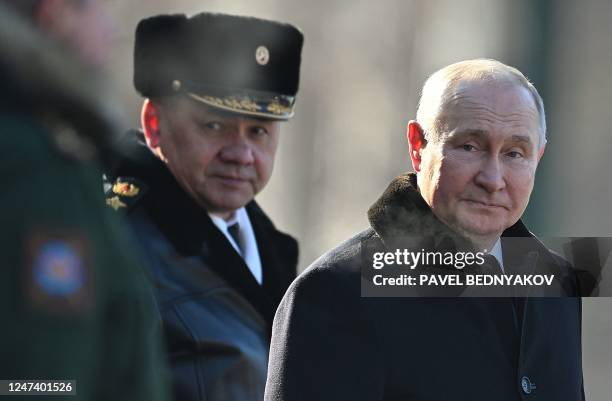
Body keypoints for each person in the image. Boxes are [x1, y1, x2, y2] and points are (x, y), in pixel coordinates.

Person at [265, 59, 584, 401]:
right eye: (469, 147)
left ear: (539, 157)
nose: (492, 180)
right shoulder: (334, 292)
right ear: (418, 146)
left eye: (515, 153)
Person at [104, 12, 303, 401]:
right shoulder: (112, 238)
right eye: (215, 125)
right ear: (155, 123)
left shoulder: (271, 247)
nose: (241, 154)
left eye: (259, 131)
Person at [0, 1, 170, 400]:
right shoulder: (38, 168)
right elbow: (41, 381)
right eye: (98, 10)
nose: (112, 30)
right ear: (56, 15)